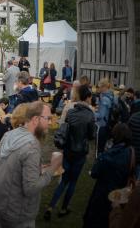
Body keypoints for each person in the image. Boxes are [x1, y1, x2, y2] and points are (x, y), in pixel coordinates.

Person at [0, 101, 62, 228]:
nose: (51, 123)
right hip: (19, 216)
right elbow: (31, 189)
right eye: (48, 118)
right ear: (35, 119)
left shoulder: (9, 134)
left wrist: (35, 169)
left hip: (1, 207)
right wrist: (53, 167)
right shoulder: (32, 146)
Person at [44, 85, 96, 221]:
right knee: (72, 182)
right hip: (79, 152)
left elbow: (67, 130)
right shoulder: (90, 115)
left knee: (64, 180)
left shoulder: (71, 112)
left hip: (68, 150)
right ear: (88, 97)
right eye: (91, 97)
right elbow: (91, 136)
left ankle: (50, 207)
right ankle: (63, 209)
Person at [83, 123, 136, 228]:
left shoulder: (108, 156)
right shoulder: (130, 151)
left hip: (102, 194)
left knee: (94, 220)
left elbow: (94, 173)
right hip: (118, 194)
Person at [95, 78, 114, 153]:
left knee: (99, 149)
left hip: (102, 125)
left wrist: (91, 112)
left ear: (103, 87)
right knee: (103, 147)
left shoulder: (105, 99)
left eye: (99, 87)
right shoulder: (110, 95)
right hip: (107, 124)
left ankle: (99, 161)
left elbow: (101, 115)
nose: (98, 88)